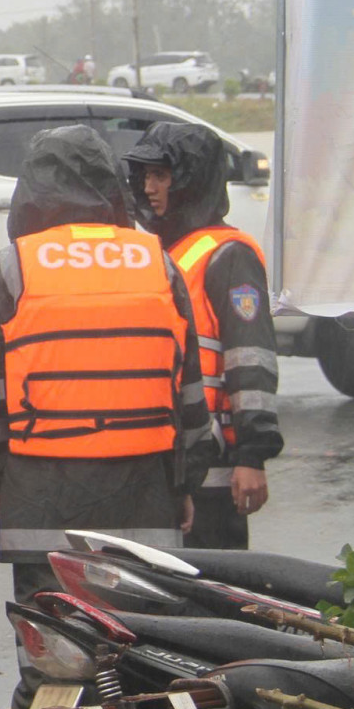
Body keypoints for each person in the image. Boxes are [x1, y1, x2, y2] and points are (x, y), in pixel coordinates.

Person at [0, 126, 213, 709]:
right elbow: (188, 396)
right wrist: (186, 482)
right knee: (142, 665)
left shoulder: (14, 267)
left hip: (41, 504)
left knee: (54, 667)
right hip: (145, 500)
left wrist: (0, 478)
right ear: (111, 189)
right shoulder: (160, 265)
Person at [124, 123, 281, 548]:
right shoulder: (165, 253)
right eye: (145, 176)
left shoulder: (229, 255)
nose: (149, 187)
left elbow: (252, 359)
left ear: (191, 179)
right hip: (171, 464)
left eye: (161, 175)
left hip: (217, 469)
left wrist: (252, 456)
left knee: (216, 593)